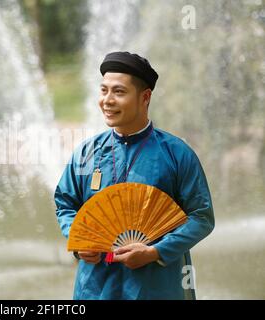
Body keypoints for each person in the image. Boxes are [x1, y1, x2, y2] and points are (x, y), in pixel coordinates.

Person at [54, 51, 215, 300]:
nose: (107, 100)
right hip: (95, 287)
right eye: (104, 90)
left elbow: (201, 217)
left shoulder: (177, 154)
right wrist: (79, 242)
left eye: (118, 92)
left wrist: (156, 251)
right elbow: (66, 204)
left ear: (145, 97)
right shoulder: (87, 153)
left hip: (156, 287)